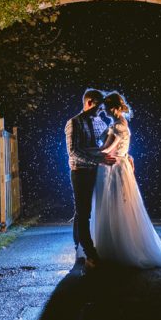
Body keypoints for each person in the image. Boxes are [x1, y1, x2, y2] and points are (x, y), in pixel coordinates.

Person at [90, 91, 161, 268]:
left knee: (114, 207)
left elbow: (107, 151)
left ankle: (117, 249)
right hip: (117, 166)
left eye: (108, 109)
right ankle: (111, 246)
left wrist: (86, 155)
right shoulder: (118, 124)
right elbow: (119, 148)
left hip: (113, 169)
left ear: (116, 108)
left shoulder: (118, 126)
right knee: (115, 207)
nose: (105, 112)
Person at [64, 88, 116, 270]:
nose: (100, 111)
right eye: (98, 107)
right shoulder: (73, 123)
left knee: (84, 212)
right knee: (83, 212)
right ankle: (89, 253)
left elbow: (105, 146)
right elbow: (73, 152)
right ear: (88, 103)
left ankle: (80, 247)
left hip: (97, 171)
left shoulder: (99, 122)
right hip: (80, 172)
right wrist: (97, 159)